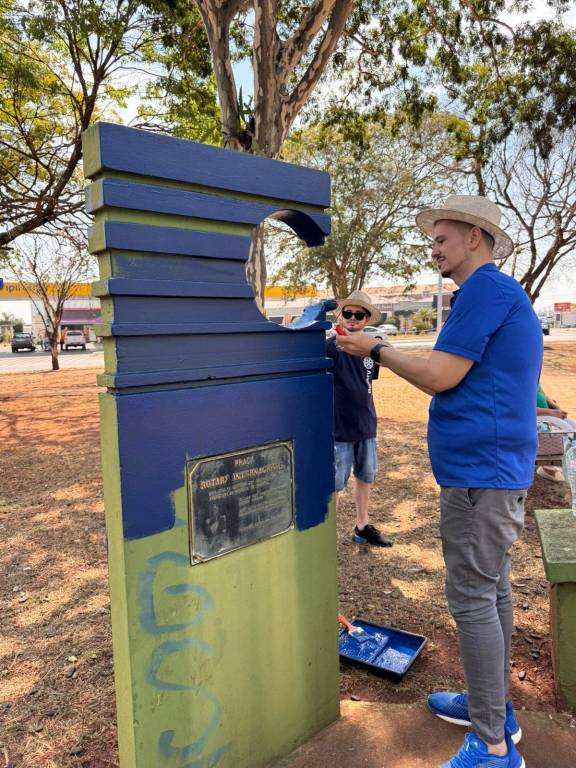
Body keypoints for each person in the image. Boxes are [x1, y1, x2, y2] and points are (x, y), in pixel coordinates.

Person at [337, 195, 542, 768]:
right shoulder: (494, 294)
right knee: (492, 592)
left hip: (482, 476)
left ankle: (493, 747)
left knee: (473, 599)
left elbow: (439, 375)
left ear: (475, 237)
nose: (433, 249)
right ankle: (492, 709)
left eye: (441, 238)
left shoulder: (484, 291)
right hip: (490, 472)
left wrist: (376, 347)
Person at [327, 289, 393, 547]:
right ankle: (325, 536)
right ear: (341, 316)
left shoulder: (372, 350)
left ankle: (362, 527)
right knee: (335, 484)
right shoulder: (329, 347)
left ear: (366, 319)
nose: (353, 318)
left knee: (365, 477)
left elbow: (366, 383)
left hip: (365, 424)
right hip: (338, 427)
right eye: (348, 313)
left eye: (359, 314)